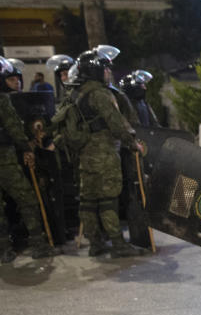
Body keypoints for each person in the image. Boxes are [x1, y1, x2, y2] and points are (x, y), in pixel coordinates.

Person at [60, 47, 146, 258]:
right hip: (105, 153)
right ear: (96, 71)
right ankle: (118, 244)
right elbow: (116, 123)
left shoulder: (75, 93)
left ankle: (95, 243)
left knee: (88, 200)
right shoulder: (100, 93)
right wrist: (133, 143)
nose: (109, 73)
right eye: (106, 69)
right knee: (108, 199)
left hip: (83, 155)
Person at [0, 57, 59, 262]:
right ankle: (38, 243)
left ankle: (4, 249)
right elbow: (13, 126)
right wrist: (26, 148)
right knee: (27, 198)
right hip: (4, 158)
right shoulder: (2, 99)